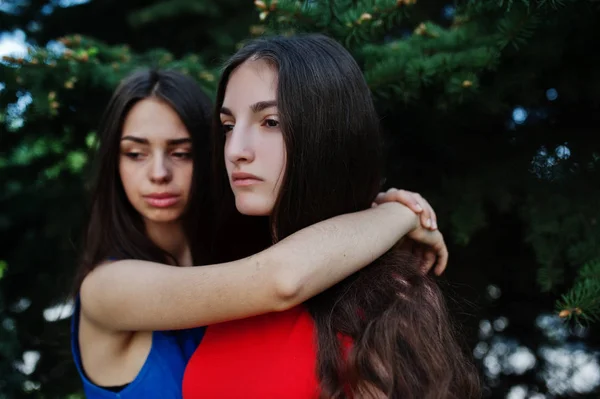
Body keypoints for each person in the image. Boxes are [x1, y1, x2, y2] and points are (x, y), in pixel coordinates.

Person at [71, 69, 449, 399]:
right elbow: (280, 279)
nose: (158, 173)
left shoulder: (239, 261)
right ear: (112, 165)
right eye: (135, 153)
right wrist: (399, 216)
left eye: (181, 152)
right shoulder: (106, 287)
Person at [182, 34, 480, 398]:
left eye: (270, 122)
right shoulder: (231, 282)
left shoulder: (387, 300)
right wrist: (401, 215)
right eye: (228, 126)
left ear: (328, 133)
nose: (236, 150)